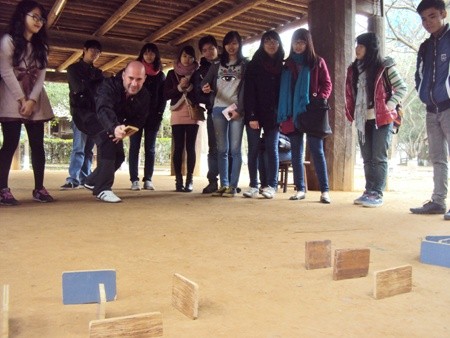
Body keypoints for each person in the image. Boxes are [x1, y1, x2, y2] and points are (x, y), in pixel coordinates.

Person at [0, 0, 54, 205]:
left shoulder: (42, 46)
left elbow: (41, 76)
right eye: (34, 16)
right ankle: (2, 188)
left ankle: (39, 188)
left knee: (38, 144)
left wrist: (32, 100)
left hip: (35, 97)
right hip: (11, 96)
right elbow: (5, 71)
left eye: (41, 18)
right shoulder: (8, 40)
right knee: (11, 142)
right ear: (22, 16)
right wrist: (21, 99)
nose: (38, 21)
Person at [345, 32, 407, 207]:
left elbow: (402, 87)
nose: (357, 49)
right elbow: (351, 93)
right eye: (356, 45)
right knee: (366, 157)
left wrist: (390, 104)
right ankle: (369, 190)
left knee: (378, 157)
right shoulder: (353, 69)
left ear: (370, 48)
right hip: (362, 119)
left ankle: (377, 193)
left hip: (382, 118)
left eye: (361, 46)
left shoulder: (384, 67)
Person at [277, 28, 333, 204]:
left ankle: (324, 190)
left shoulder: (317, 62)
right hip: (291, 113)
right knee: (296, 152)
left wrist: (318, 98)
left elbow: (327, 84)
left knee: (317, 150)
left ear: (308, 43)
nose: (298, 45)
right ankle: (300, 189)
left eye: (301, 42)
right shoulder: (287, 64)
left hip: (312, 112)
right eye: (295, 42)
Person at [82, 61, 150, 203]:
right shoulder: (109, 85)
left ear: (145, 79)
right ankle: (102, 189)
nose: (134, 84)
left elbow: (139, 118)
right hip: (90, 115)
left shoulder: (144, 95)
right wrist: (114, 128)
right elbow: (104, 108)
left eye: (139, 79)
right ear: (124, 75)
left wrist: (125, 131)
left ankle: (91, 181)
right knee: (109, 141)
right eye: (131, 78)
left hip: (115, 122)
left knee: (119, 157)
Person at [410, 0, 450, 218]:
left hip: (449, 106)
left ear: (443, 14)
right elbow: (419, 74)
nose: (428, 22)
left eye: (432, 16)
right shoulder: (425, 46)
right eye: (424, 19)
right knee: (437, 157)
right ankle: (438, 201)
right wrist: (422, 93)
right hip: (430, 109)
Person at [201, 31, 247, 197]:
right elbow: (204, 81)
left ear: (239, 45)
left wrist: (240, 110)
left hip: (236, 110)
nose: (231, 47)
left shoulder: (244, 64)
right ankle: (224, 184)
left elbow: (247, 90)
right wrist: (205, 86)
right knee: (222, 149)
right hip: (219, 109)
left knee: (235, 149)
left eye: (234, 43)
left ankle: (233, 187)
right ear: (224, 46)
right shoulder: (217, 65)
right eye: (228, 43)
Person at [243, 30, 284, 199]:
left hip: (274, 115)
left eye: (274, 41)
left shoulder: (283, 66)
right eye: (267, 41)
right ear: (262, 44)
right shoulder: (253, 65)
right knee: (253, 149)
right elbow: (249, 92)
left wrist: (281, 113)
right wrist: (252, 115)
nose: (271, 44)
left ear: (279, 44)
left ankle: (271, 186)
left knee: (272, 149)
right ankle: (254, 184)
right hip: (254, 113)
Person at [60, 39, 103, 190]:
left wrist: (90, 87)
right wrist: (92, 87)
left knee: (89, 150)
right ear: (84, 49)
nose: (95, 54)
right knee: (78, 147)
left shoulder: (98, 72)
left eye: (98, 52)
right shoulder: (73, 69)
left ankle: (85, 178)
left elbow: (99, 93)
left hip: (94, 115)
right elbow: (78, 89)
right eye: (92, 50)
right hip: (79, 114)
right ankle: (72, 178)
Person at [128, 43, 166, 191]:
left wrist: (159, 114)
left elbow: (163, 98)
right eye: (146, 53)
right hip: (135, 116)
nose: (149, 56)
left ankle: (148, 179)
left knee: (150, 149)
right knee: (134, 148)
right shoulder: (137, 73)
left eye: (152, 53)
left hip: (153, 117)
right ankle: (134, 180)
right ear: (142, 55)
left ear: (156, 56)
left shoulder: (160, 75)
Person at [163, 45, 200, 192]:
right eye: (185, 56)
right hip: (177, 112)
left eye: (190, 57)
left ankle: (190, 179)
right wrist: (179, 88)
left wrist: (190, 87)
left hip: (193, 113)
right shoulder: (172, 73)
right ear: (179, 57)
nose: (187, 59)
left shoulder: (197, 73)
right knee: (178, 147)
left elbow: (200, 94)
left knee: (191, 147)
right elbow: (166, 95)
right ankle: (178, 179)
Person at [192, 35, 220, 194]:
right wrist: (207, 94)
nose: (208, 52)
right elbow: (197, 95)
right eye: (204, 50)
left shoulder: (227, 64)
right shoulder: (200, 71)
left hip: (232, 111)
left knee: (231, 149)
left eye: (211, 48)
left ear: (217, 48)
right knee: (214, 148)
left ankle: (229, 181)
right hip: (213, 112)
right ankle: (212, 181)